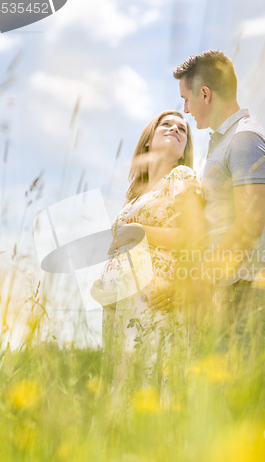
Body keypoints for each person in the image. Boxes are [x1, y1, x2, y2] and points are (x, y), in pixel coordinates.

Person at [150, 50, 265, 349]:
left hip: (242, 291)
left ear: (205, 93)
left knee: (234, 393)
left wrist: (197, 283)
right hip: (224, 289)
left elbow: (249, 225)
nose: (186, 108)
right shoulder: (222, 144)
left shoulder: (245, 139)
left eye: (186, 98)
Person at [91, 110, 205, 384]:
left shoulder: (181, 176)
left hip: (157, 304)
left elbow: (195, 237)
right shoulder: (133, 197)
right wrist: (104, 285)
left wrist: (140, 231)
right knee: (123, 387)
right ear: (147, 142)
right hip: (122, 312)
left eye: (183, 129)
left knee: (151, 384)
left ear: (184, 150)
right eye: (166, 124)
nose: (175, 129)